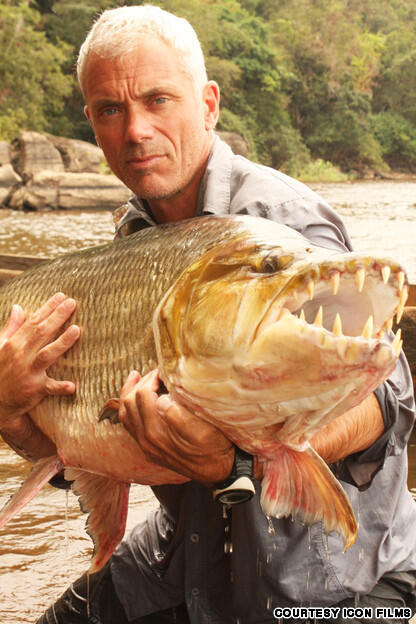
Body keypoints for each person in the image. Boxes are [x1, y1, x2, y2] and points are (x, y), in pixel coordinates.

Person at [0, 5, 415, 623]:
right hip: (184, 564)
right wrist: (6, 406)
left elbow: (385, 396)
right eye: (111, 110)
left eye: (159, 99)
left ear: (209, 104)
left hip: (333, 586)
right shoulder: (131, 243)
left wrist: (237, 464)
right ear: (91, 123)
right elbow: (75, 443)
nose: (136, 129)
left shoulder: (284, 223)